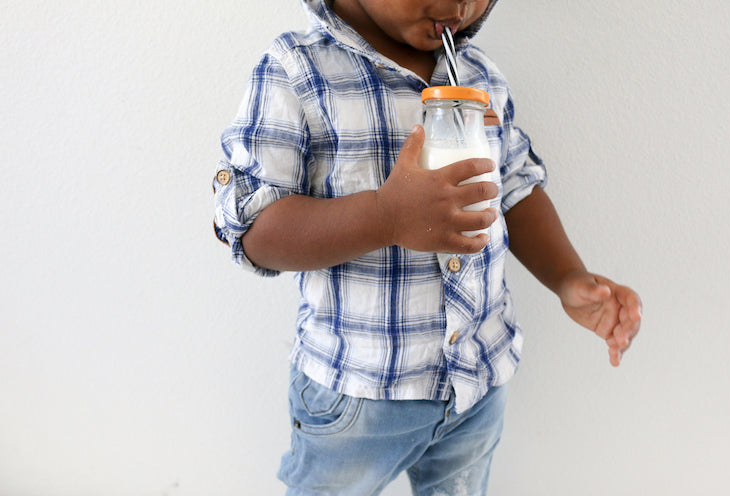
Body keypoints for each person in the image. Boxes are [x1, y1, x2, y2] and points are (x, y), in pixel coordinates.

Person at [213, 0, 642, 494]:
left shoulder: (480, 76)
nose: (459, 5)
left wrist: (569, 278)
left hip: (477, 384)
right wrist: (385, 216)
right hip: (356, 392)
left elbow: (515, 187)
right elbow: (253, 229)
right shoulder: (298, 71)